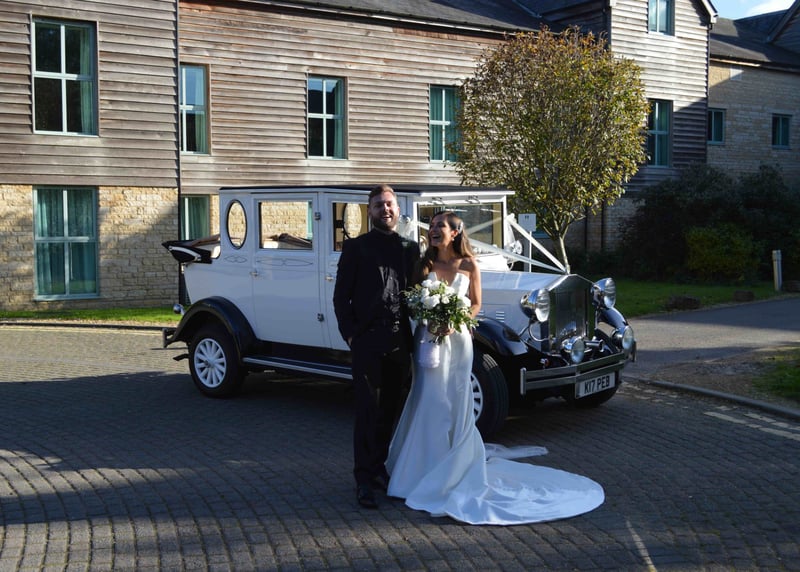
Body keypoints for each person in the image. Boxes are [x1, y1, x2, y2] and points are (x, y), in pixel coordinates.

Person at [386, 211, 605, 525]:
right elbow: (412, 301)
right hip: (429, 339)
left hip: (458, 341)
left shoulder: (469, 265)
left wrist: (457, 320)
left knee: (456, 400)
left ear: (455, 232)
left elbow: (475, 303)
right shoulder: (423, 265)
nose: (433, 230)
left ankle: (454, 466)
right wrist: (429, 317)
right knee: (429, 398)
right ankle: (419, 468)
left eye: (440, 226)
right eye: (431, 226)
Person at [333, 184, 419, 509]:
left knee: (390, 411)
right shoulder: (356, 248)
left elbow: (417, 292)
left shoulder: (410, 248)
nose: (386, 209)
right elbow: (341, 297)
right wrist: (351, 335)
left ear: (398, 209)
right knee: (367, 411)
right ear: (369, 211)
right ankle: (363, 480)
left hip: (400, 343)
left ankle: (379, 467)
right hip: (367, 342)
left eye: (390, 204)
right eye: (379, 205)